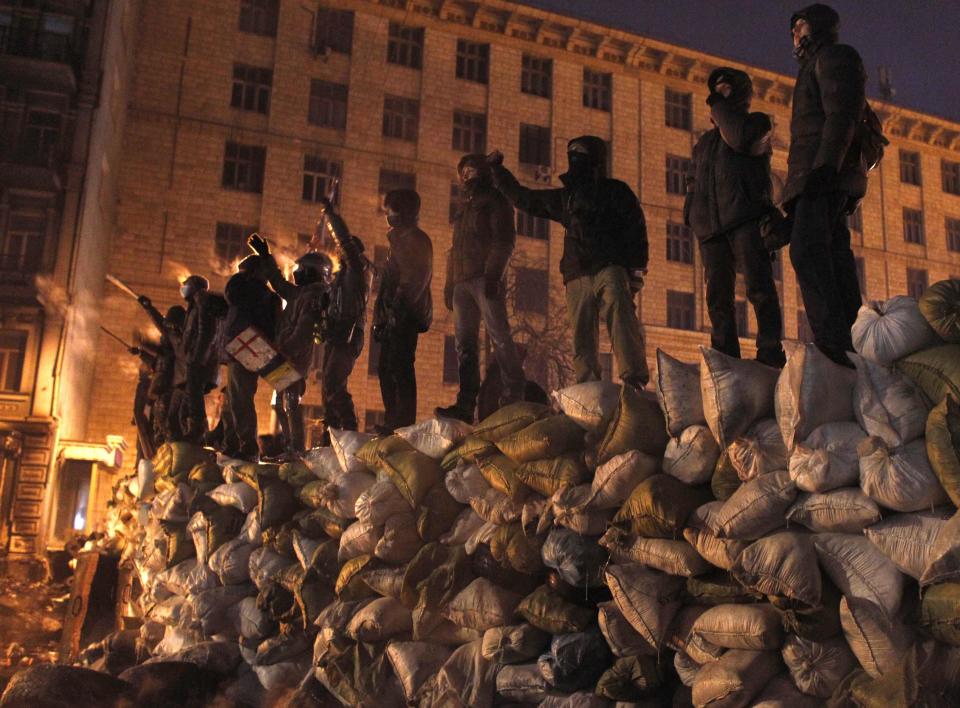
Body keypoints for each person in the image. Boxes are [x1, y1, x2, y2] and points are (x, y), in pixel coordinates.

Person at [489, 137, 650, 389]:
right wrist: (498, 172)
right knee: (581, 333)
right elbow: (525, 199)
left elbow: (636, 230)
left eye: (581, 154)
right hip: (577, 273)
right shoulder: (567, 198)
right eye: (571, 154)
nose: (575, 160)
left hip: (610, 266)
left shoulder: (616, 192)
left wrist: (637, 269)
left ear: (596, 160)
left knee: (620, 314)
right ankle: (587, 386)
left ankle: (634, 379)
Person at [685, 67, 787, 368]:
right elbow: (692, 177)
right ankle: (725, 356)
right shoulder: (704, 143)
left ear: (741, 93)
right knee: (718, 297)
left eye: (726, 88)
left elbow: (740, 139)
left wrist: (720, 108)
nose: (718, 93)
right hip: (711, 229)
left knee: (759, 288)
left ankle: (770, 351)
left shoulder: (757, 124)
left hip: (745, 217)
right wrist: (690, 210)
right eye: (715, 88)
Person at [784, 3, 867, 367]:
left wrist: (826, 167)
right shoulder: (813, 67)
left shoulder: (834, 57)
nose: (795, 36)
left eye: (800, 27)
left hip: (823, 176)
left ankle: (834, 341)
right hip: (817, 176)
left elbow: (841, 114)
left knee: (807, 251)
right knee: (834, 256)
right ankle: (851, 338)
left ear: (817, 27)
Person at [436, 154, 525, 424]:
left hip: (484, 280)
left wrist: (493, 275)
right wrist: (450, 283)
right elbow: (455, 249)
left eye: (470, 171)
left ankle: (513, 396)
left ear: (483, 172)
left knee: (500, 337)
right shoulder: (465, 207)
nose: (465, 176)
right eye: (462, 172)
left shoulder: (496, 200)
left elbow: (505, 240)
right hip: (463, 284)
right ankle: (465, 405)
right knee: (465, 346)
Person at [249, 233, 332, 457]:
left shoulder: (314, 297)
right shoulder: (301, 293)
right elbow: (278, 284)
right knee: (279, 404)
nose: (296, 272)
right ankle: (289, 446)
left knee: (291, 403)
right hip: (284, 353)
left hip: (293, 357)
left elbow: (303, 330)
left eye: (301, 269)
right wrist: (265, 256)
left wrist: (282, 351)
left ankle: (296, 448)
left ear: (313, 273)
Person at [372, 189, 433, 434]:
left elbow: (413, 279)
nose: (387, 215)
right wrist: (382, 316)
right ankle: (392, 420)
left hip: (405, 314)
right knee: (386, 367)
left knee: (400, 366)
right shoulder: (398, 241)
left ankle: (402, 423)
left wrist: (396, 308)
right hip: (392, 315)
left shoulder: (415, 240)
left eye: (391, 210)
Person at [312, 198, 371, 436]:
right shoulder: (342, 278)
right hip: (337, 333)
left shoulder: (358, 270)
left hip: (349, 333)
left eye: (343, 251)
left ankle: (349, 428)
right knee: (328, 386)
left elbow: (345, 241)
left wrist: (331, 216)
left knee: (334, 383)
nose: (339, 253)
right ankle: (333, 431)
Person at [222, 256, 281, 460]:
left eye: (244, 271)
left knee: (240, 399)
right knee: (234, 399)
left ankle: (247, 447)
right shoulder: (259, 293)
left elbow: (231, 293)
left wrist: (241, 277)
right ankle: (234, 443)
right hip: (243, 347)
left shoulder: (251, 292)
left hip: (247, 347)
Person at [169, 275, 227, 443]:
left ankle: (197, 429)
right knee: (191, 397)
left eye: (186, 285)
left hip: (200, 361)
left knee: (194, 397)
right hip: (198, 359)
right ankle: (192, 431)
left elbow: (206, 331)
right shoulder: (195, 304)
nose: (183, 288)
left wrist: (197, 358)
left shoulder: (203, 301)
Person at [135, 296, 185, 445]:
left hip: (171, 388)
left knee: (166, 426)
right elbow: (159, 362)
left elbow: (163, 355)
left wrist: (149, 308)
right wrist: (140, 351)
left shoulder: (179, 342)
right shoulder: (172, 345)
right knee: (160, 427)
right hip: (164, 389)